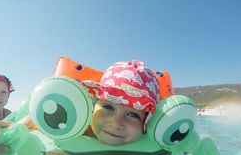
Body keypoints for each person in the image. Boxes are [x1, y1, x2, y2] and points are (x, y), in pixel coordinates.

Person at [20, 60, 160, 146]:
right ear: (94, 105)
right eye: (108, 106)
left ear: (147, 123)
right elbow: (36, 118)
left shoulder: (156, 141)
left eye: (133, 114)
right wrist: (13, 131)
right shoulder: (80, 126)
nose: (116, 123)